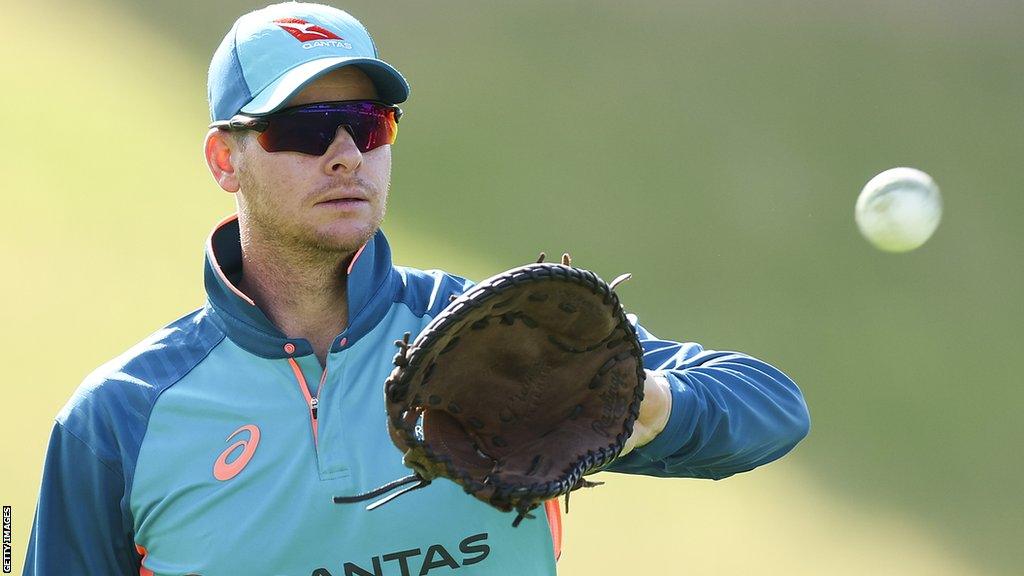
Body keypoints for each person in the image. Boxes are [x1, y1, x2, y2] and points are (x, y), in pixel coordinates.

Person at [22, 3, 810, 575]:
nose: (344, 155)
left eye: (368, 124)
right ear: (226, 160)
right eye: (302, 128)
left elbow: (772, 407)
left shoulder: (500, 339)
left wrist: (638, 406)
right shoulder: (120, 419)